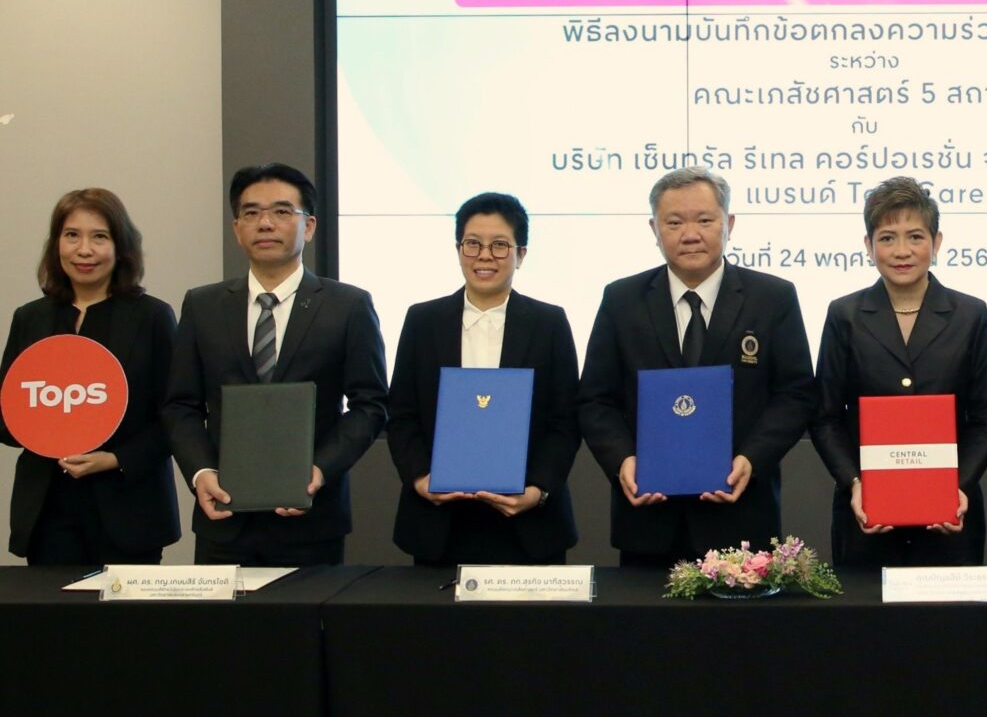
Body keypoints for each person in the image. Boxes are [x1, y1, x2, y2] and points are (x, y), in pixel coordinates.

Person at [578, 166, 816, 568]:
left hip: (742, 519)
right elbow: (595, 400)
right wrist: (623, 460)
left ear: (729, 223)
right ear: (654, 229)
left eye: (705, 220)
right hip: (649, 521)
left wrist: (752, 459)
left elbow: (796, 394)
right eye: (674, 222)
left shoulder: (772, 297)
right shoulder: (622, 300)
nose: (690, 234)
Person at [163, 163, 388, 566]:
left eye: (282, 211)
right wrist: (200, 473)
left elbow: (370, 404)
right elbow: (180, 405)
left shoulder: (348, 306)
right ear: (237, 229)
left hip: (312, 520)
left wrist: (320, 470)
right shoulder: (202, 305)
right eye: (251, 213)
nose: (265, 223)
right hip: (224, 519)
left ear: (309, 226)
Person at [811, 177, 987, 567]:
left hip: (951, 513)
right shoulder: (844, 315)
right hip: (865, 514)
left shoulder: (970, 315)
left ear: (936, 243)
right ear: (868, 246)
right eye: (887, 238)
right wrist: (855, 483)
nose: (902, 251)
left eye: (915, 237)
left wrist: (957, 485)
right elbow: (824, 417)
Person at [385, 193, 579, 566]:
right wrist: (421, 478)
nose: (484, 256)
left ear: (521, 254)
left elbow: (565, 421)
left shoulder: (549, 323)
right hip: (439, 521)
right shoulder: (422, 321)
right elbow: (402, 414)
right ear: (458, 249)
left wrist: (537, 490)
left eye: (500, 245)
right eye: (473, 244)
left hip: (529, 523)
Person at [0, 189, 179, 565]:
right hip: (48, 513)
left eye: (99, 236)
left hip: (130, 511)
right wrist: (37, 425)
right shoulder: (30, 318)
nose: (84, 250)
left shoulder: (152, 317)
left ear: (121, 247)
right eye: (72, 235)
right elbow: (7, 418)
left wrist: (115, 459)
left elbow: (177, 417)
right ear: (56, 245)